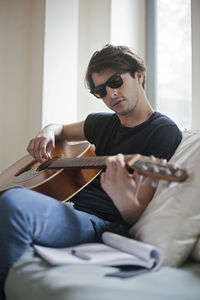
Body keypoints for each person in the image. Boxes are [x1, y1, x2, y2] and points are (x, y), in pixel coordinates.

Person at [0, 44, 182, 299]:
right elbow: (60, 128)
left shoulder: (162, 131)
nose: (111, 94)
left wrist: (118, 194)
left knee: (13, 201)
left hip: (101, 223)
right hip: (68, 206)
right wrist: (46, 132)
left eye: (116, 81)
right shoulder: (103, 123)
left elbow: (134, 215)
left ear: (139, 75)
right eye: (100, 91)